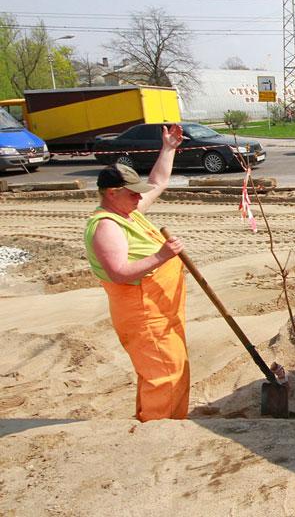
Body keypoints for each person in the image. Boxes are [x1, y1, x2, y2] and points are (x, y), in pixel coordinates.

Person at [84, 123, 189, 422]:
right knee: (165, 374)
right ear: (113, 193)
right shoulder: (108, 226)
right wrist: (162, 255)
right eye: (132, 194)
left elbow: (157, 182)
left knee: (166, 368)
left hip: (161, 309)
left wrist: (168, 149)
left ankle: (158, 419)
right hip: (143, 313)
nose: (138, 198)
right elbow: (118, 272)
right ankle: (160, 432)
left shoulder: (128, 212)